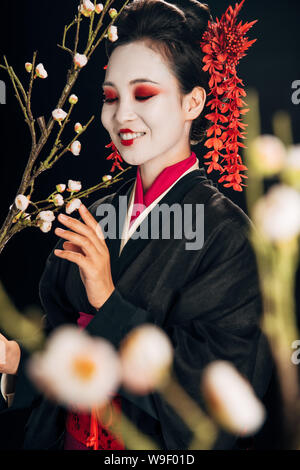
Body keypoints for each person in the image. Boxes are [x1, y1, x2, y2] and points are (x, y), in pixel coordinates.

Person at [0, 0, 273, 450]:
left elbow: (223, 391)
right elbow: (65, 343)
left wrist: (109, 301)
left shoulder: (229, 236)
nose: (121, 115)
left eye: (143, 94)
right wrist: (14, 358)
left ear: (194, 101)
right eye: (110, 97)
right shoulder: (96, 214)